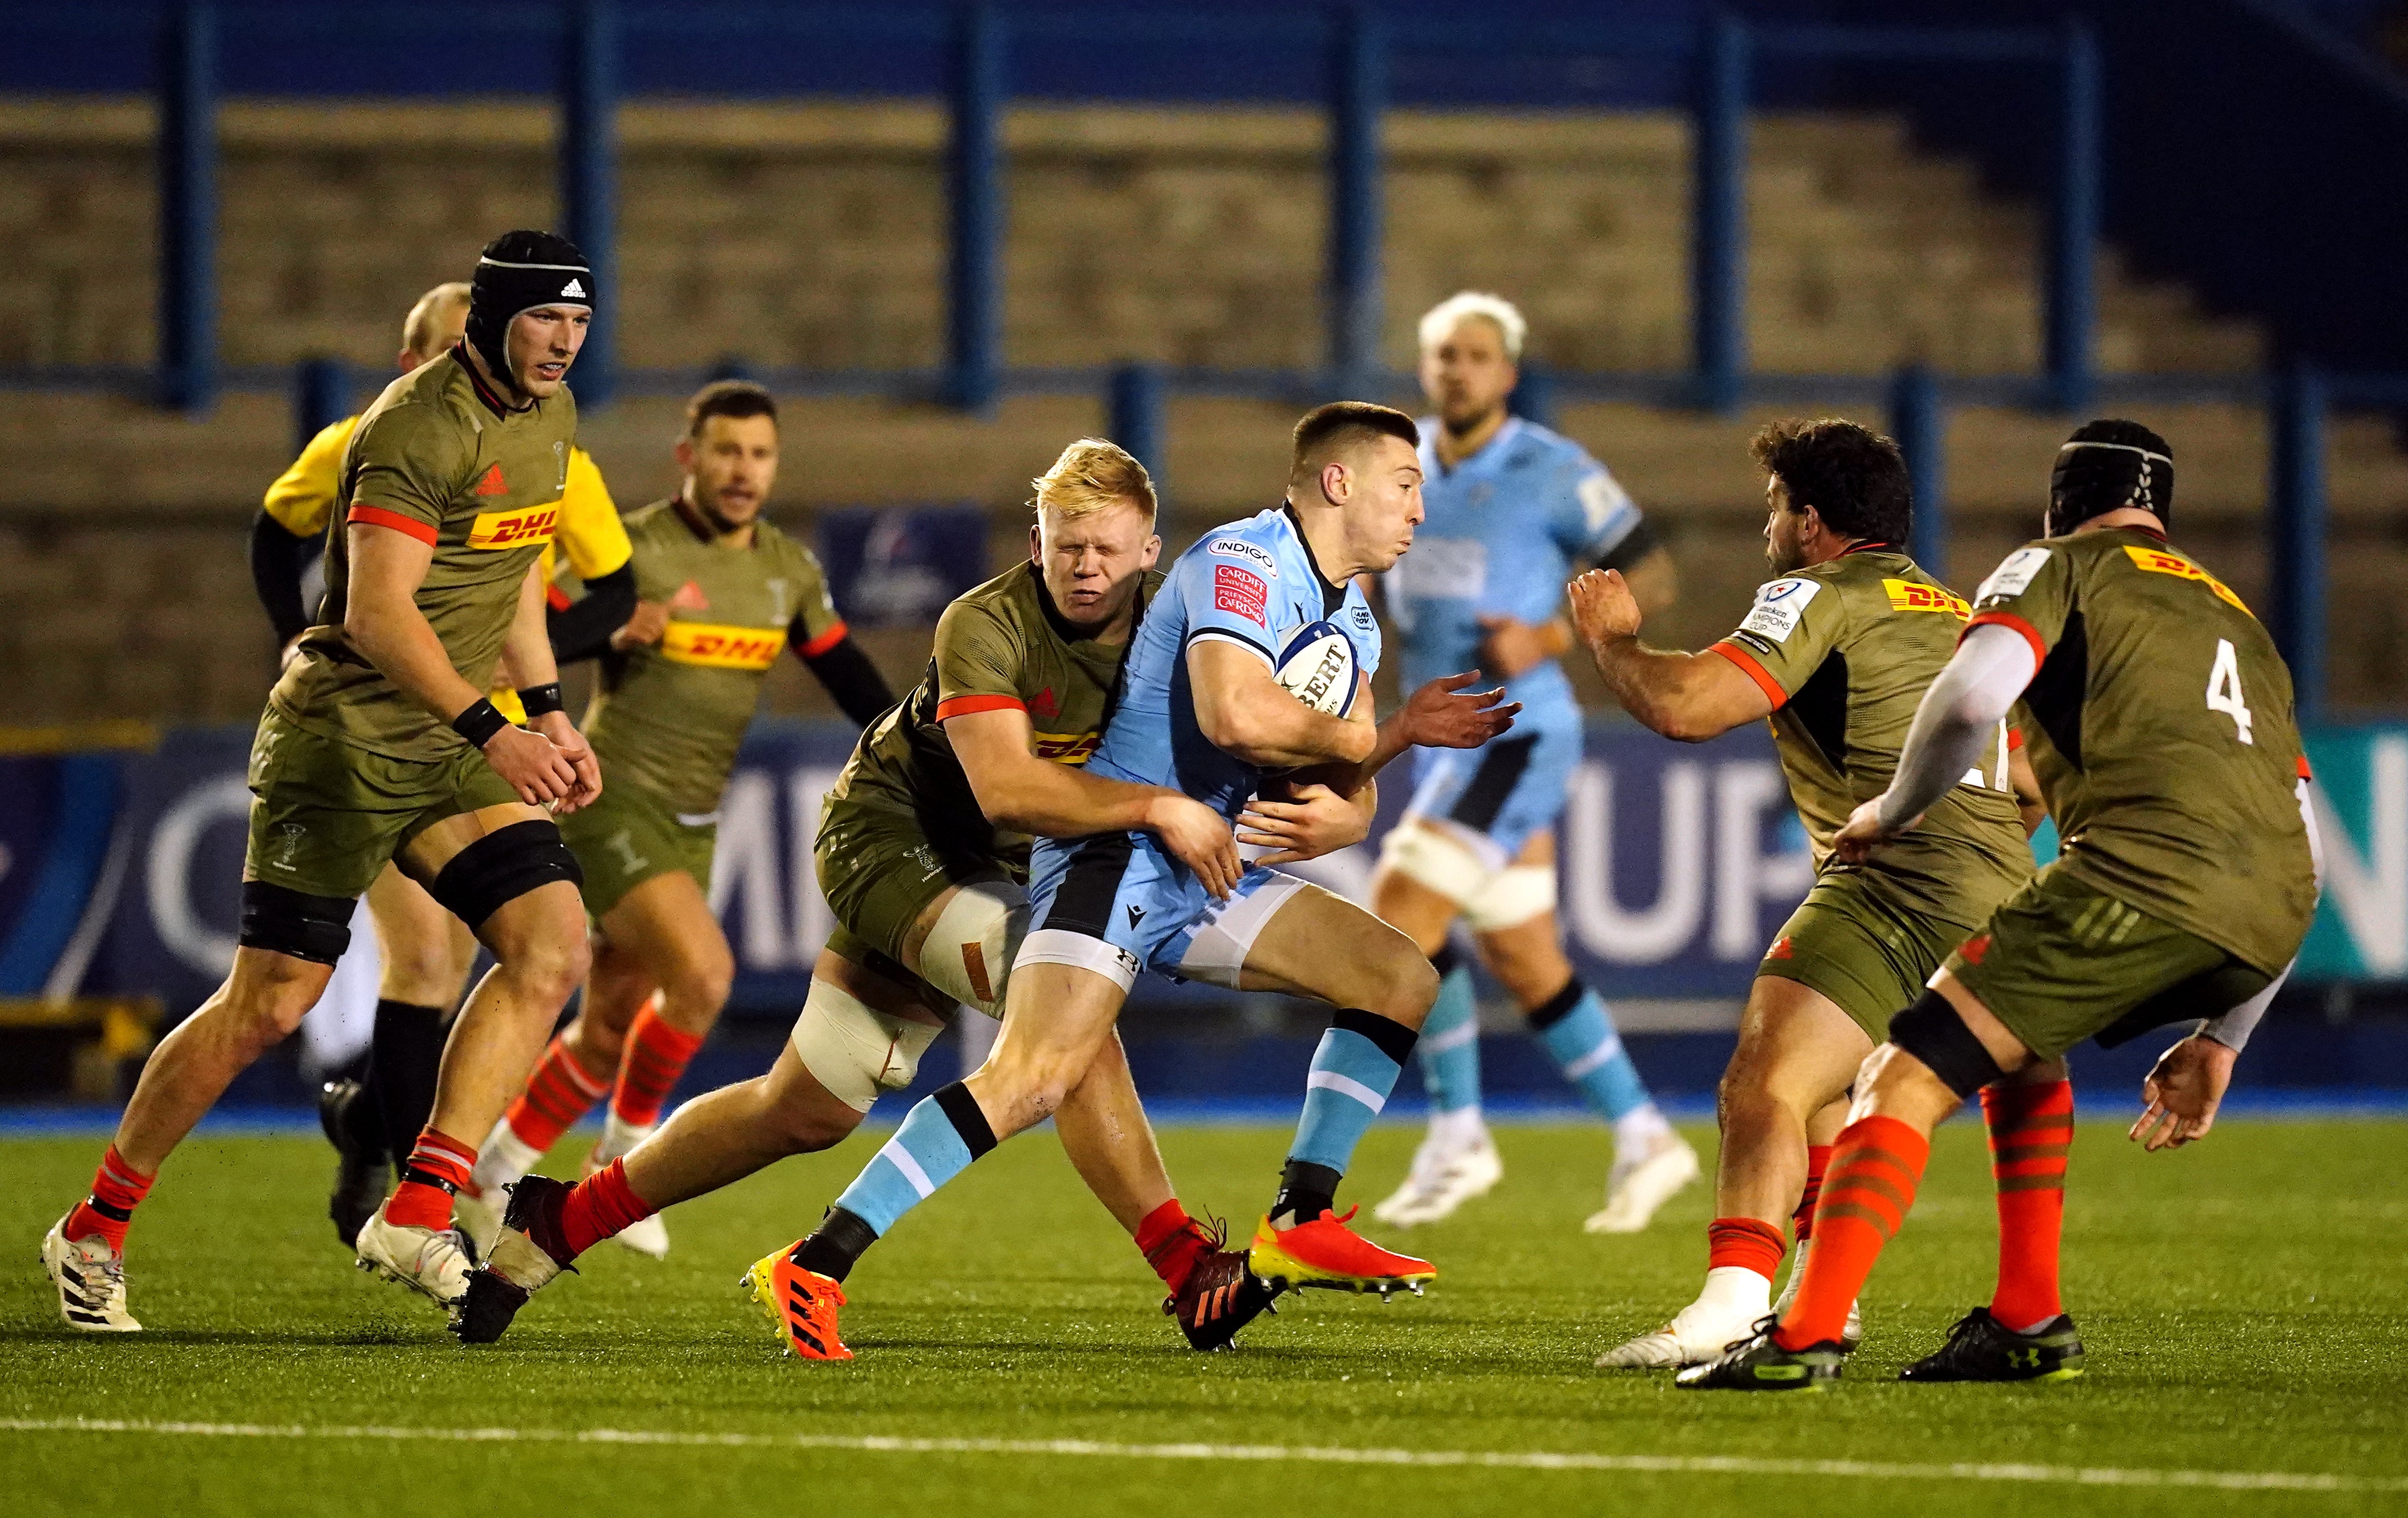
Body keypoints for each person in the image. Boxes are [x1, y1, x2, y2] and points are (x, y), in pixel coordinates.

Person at [457, 439, 1345, 1354]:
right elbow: (1007, 793)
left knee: (802, 1110)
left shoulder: (1182, 630)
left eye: (1109, 549)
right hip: (891, 841)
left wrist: (1343, 803)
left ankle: (553, 1226)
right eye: (1066, 545)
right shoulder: (986, 622)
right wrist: (1162, 805)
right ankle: (1188, 1268)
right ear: (1035, 545)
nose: (1086, 567)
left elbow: (1254, 740)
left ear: (1151, 550)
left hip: (997, 869)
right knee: (1069, 1022)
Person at [736, 402, 1519, 1361]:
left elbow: (1342, 785)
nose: (1417, 511)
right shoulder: (1246, 562)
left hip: (1208, 864)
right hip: (1122, 857)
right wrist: (1390, 735)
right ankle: (815, 1261)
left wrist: (1351, 808)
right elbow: (1236, 716)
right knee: (1031, 1079)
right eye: (1406, 485)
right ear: (1339, 482)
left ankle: (1300, 1216)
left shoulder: (1354, 614)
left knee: (1399, 977)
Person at [1676, 420, 2322, 1391]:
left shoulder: (2054, 566)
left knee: (1899, 1076)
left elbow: (1974, 699)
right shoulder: (2240, 620)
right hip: (2273, 911)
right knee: (2016, 1059)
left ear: (2059, 505)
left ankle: (1803, 1334)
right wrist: (2222, 1038)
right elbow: (2306, 841)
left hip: (2141, 874)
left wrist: (1893, 808)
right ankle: (2026, 1317)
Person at [44, 231, 608, 1330]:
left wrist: (546, 711)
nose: (566, 343)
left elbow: (519, 578)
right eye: (548, 318)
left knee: (553, 945)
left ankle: (420, 1203)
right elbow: (376, 612)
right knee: (271, 1003)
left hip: (448, 743)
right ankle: (94, 1227)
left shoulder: (552, 420)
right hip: (345, 742)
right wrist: (500, 734)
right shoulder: (413, 425)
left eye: (582, 323)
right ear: (496, 318)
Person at [1568, 419, 2043, 1369]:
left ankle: (1729, 1305)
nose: (1768, 532)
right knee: (1826, 1086)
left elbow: (1686, 707)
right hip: (2002, 892)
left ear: (1813, 522)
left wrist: (1614, 643)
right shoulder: (1959, 614)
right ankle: (1826, 1297)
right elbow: (2031, 787)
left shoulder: (1814, 592)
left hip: (1892, 888)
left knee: (1764, 1082)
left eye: (1775, 510)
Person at [455, 380, 897, 1260]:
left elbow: (847, 675)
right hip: (609, 798)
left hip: (696, 817)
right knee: (702, 977)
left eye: (760, 454)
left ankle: (491, 1173)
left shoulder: (787, 569)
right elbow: (520, 634)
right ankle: (626, 1160)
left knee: (611, 1025)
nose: (744, 471)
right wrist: (606, 627)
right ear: (689, 456)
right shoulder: (632, 548)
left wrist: (914, 749)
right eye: (727, 451)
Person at [251, 279, 636, 1248]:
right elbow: (277, 534)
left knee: (533, 953)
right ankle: (404, 1182)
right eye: (424, 351)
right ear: (413, 356)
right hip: (380, 732)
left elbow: (606, 590)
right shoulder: (367, 441)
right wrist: (292, 637)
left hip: (496, 740)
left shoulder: (554, 441)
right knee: (418, 962)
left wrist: (544, 701)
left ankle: (393, 1150)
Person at [1370, 291, 1695, 1233]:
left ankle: (1458, 1131)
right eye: (1442, 356)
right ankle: (1643, 1136)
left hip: (1515, 735)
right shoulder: (1397, 465)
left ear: (1507, 373)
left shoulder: (1553, 468)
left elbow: (1657, 576)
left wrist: (1553, 634)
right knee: (1521, 952)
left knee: (1399, 914)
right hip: (1444, 741)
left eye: (1475, 355)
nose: (1456, 370)